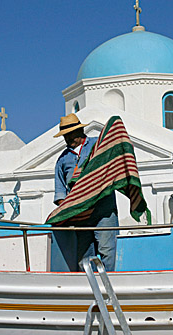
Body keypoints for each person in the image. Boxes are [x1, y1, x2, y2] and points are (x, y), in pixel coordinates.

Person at [53, 113, 118, 271]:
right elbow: (61, 193)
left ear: (79, 131)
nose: (68, 138)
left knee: (107, 251)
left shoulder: (98, 145)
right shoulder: (62, 160)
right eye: (65, 135)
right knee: (84, 256)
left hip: (104, 211)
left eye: (70, 133)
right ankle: (88, 289)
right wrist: (71, 210)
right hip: (81, 216)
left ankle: (110, 285)